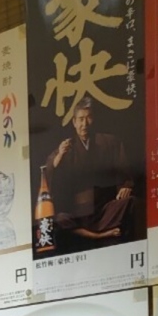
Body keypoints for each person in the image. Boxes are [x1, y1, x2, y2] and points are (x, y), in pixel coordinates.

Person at [43, 96, 134, 246]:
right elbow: (48, 170)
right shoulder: (67, 148)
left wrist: (126, 185)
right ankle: (98, 235)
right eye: (80, 119)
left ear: (94, 119)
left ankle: (97, 232)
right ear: (74, 122)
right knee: (59, 219)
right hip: (77, 213)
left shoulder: (109, 142)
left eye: (88, 118)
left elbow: (124, 171)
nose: (84, 124)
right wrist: (59, 157)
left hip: (104, 209)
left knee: (129, 202)